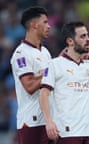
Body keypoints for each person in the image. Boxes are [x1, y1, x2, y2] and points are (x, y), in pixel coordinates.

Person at [10, 6, 54, 144]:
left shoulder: (45, 52)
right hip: (31, 122)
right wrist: (51, 71)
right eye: (45, 22)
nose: (49, 26)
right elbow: (29, 85)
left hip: (49, 120)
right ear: (34, 25)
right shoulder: (21, 54)